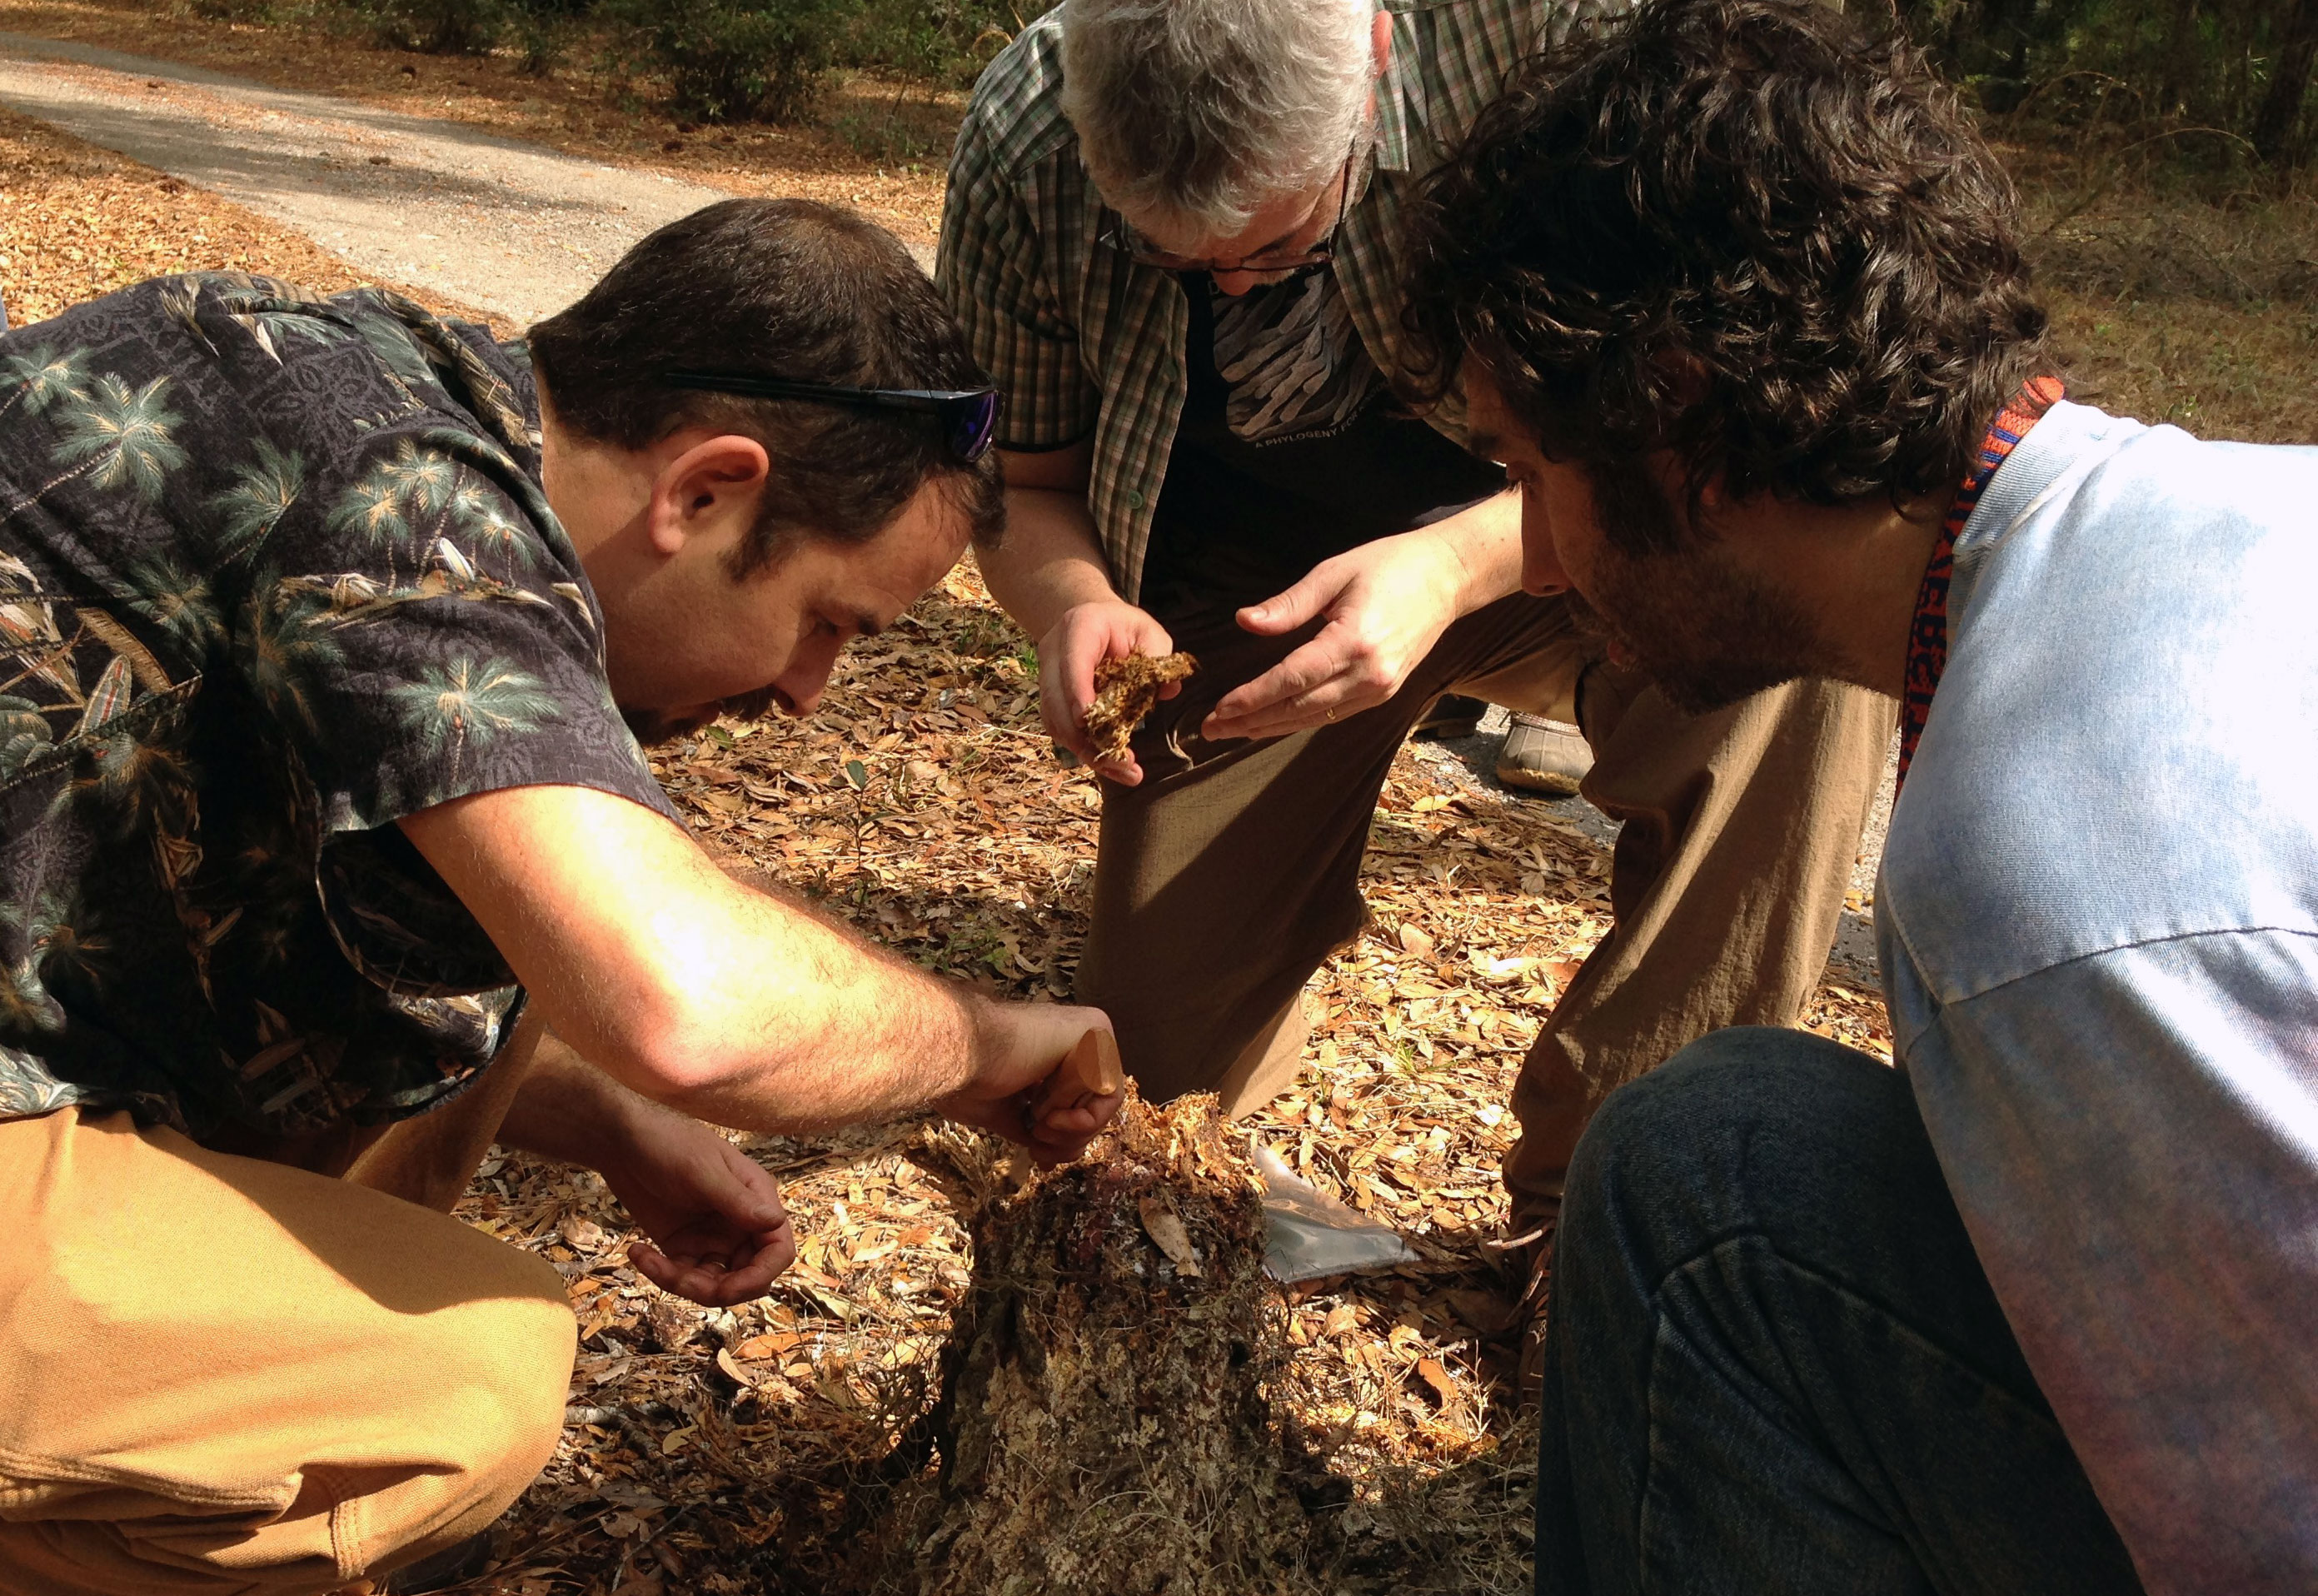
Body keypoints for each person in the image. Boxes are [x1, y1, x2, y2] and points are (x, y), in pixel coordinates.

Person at [0, 197, 1118, 1596]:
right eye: (831, 623)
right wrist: (994, 1042)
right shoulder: (407, 501)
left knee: (501, 958)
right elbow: (686, 1007)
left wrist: (606, 1123)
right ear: (705, 489)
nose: (805, 693)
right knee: (452, 1391)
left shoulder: (385, 399)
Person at [1401, 0, 2318, 1587]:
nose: (1529, 543)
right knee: (1714, 1157)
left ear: (1676, 419)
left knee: (1707, 1217)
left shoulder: (2055, 882)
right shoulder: (2227, 513)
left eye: (1525, 468)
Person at [936, 0, 1895, 1315]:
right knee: (1151, 1118)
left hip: (1583, 533)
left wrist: (1449, 567)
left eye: (1273, 246)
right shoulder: (1025, 134)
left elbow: (1744, 436)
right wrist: (1073, 604)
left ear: (1375, 72)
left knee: (1792, 657)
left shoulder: (1567, 40)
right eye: (1170, 259)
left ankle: (1603, 1225)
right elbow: (1025, 483)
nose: (1230, 289)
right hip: (1249, 588)